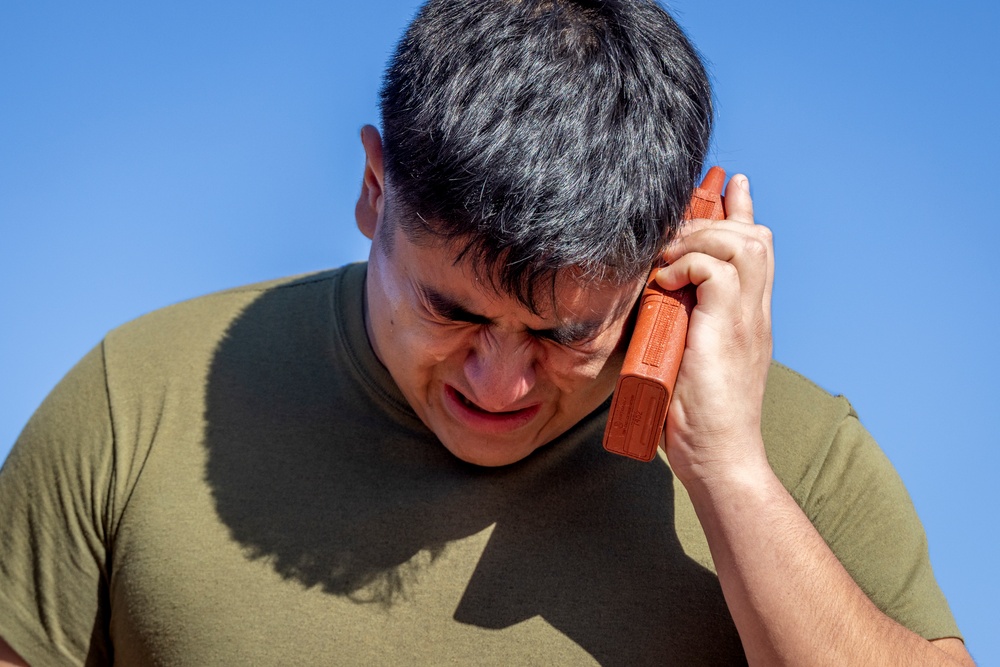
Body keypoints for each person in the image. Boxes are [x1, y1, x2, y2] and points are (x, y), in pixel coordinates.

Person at [0, 0, 974, 664]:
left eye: (565, 333)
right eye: (451, 310)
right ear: (374, 189)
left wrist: (727, 474)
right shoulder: (136, 402)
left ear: (676, 249)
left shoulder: (795, 460)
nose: (499, 382)